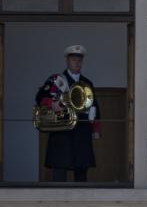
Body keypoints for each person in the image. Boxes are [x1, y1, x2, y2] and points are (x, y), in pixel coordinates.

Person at [35, 44, 101, 183]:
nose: (77, 63)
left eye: (79, 60)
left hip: (82, 132)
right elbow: (40, 97)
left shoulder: (87, 82)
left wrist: (96, 129)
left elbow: (95, 107)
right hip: (61, 132)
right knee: (59, 171)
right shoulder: (57, 80)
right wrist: (51, 104)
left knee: (81, 172)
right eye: (73, 60)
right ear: (67, 60)